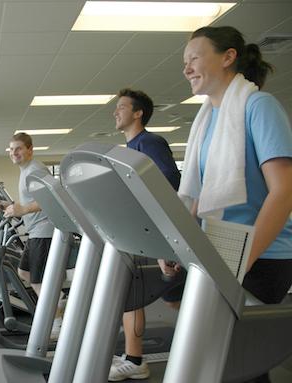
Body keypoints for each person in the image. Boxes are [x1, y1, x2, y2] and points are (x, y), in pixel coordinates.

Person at [179, 26, 292, 383]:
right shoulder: (208, 121)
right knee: (217, 361)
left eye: (194, 57)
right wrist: (176, 240)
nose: (187, 68)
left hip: (264, 255)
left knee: (236, 366)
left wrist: (243, 259)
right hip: (222, 251)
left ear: (229, 57)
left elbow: (285, 191)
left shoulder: (258, 106)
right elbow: (200, 195)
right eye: (185, 62)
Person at [109, 88, 184, 381]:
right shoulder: (129, 149)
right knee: (164, 298)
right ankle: (133, 357)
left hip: (156, 230)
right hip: (141, 230)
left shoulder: (148, 142)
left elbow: (169, 180)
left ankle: (135, 360)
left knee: (139, 295)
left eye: (122, 107)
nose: (115, 112)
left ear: (138, 113)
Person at [3, 133, 65, 337]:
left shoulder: (35, 169)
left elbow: (51, 199)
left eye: (18, 148)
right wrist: (11, 207)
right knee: (24, 273)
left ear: (30, 149)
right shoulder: (26, 170)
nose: (14, 153)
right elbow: (33, 201)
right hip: (36, 232)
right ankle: (59, 299)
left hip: (44, 231)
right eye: (12, 149)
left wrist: (21, 210)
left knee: (38, 281)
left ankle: (57, 322)